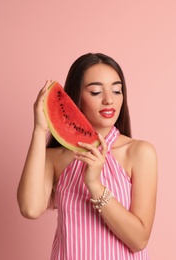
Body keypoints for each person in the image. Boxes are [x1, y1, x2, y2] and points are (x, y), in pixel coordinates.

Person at [17, 53, 158, 260]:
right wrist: (39, 129)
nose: (109, 99)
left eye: (117, 90)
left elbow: (139, 240)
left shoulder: (139, 153)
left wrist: (95, 186)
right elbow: (30, 209)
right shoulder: (55, 158)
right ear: (75, 98)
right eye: (95, 91)